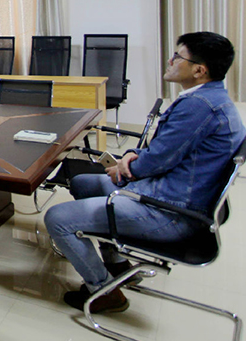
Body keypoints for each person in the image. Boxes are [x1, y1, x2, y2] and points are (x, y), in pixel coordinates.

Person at [44, 31, 245, 314]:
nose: (170, 61)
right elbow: (166, 153)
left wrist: (128, 166)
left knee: (57, 218)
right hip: (176, 194)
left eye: (177, 57)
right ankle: (117, 264)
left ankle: (104, 291)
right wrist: (131, 159)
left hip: (170, 211)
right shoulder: (213, 98)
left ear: (199, 70)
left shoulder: (199, 106)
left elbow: (158, 160)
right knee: (83, 183)